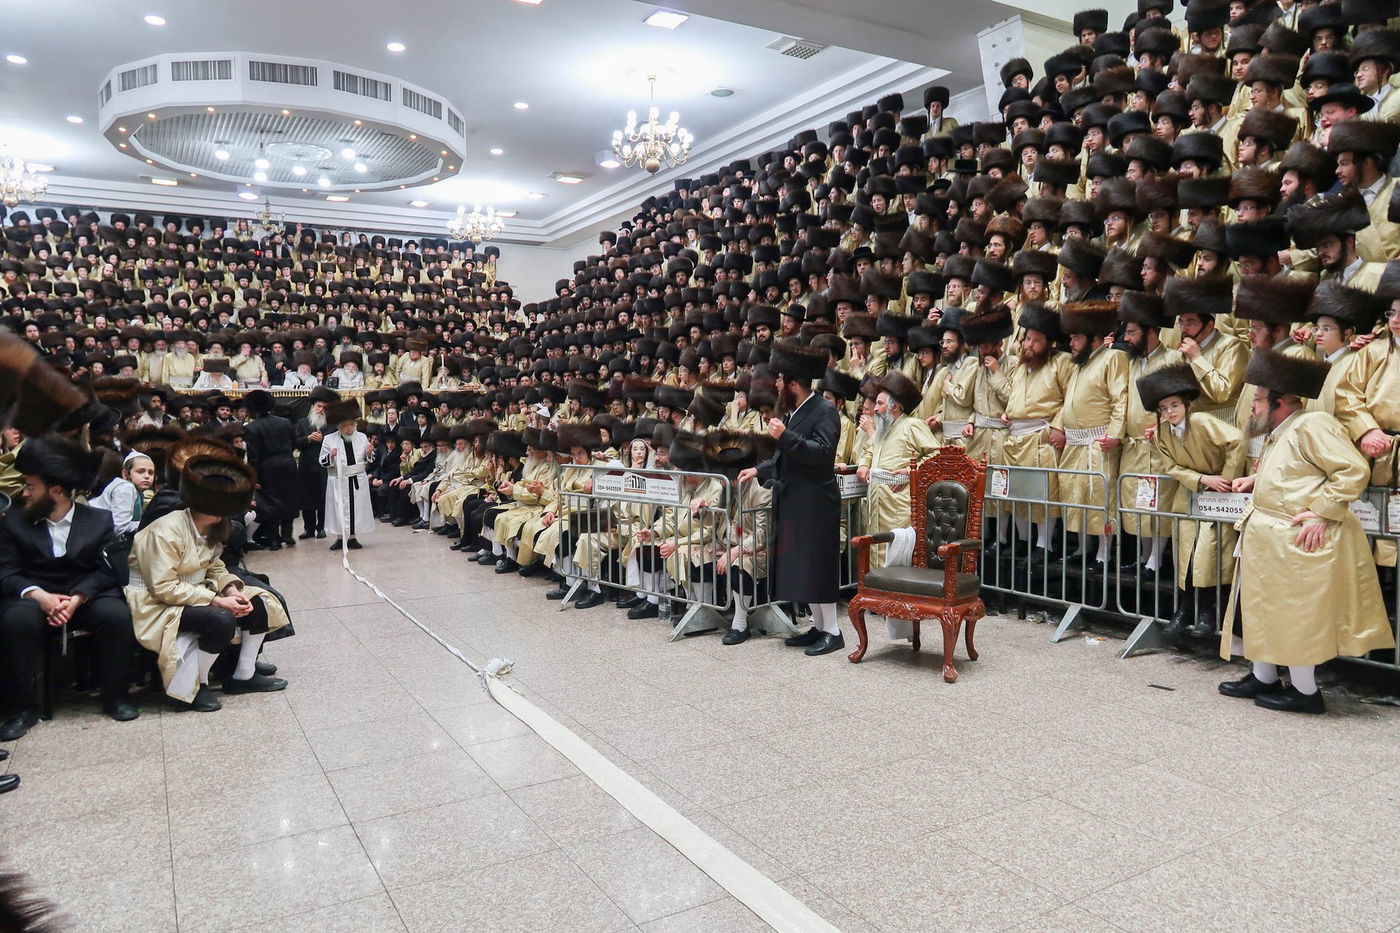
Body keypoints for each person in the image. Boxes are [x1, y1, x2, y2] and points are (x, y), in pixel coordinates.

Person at [1220, 350, 1396, 713]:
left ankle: (1305, 692)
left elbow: (1352, 471)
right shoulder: (1281, 430)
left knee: (1296, 617)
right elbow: (1296, 472)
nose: (1252, 406)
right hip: (1269, 539)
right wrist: (1255, 480)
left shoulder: (1312, 424)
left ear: (1280, 402)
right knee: (1263, 610)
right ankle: (1264, 674)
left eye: (1258, 399)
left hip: (1298, 540)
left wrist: (1320, 512)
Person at [127, 454, 291, 711]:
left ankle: (243, 676)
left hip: (196, 591)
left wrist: (232, 589)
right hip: (156, 602)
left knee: (258, 601)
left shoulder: (212, 527)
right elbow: (162, 587)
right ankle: (195, 685)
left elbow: (214, 566)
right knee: (221, 618)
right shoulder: (164, 531)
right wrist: (216, 600)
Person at [0, 435, 140, 736]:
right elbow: (7, 572)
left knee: (117, 615)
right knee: (15, 620)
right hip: (32, 595)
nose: (25, 492)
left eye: (30, 487)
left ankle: (116, 695)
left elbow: (107, 572)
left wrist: (77, 598)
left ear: (56, 491)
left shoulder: (98, 520)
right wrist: (41, 597)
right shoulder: (13, 521)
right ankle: (22, 708)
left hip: (84, 594)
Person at [740, 339, 845, 656]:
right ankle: (819, 627)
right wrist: (758, 471)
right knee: (805, 569)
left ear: (794, 384)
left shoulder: (825, 411)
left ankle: (834, 632)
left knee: (819, 567)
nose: (776, 384)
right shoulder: (796, 412)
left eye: (780, 380)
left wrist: (785, 436)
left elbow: (822, 454)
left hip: (816, 503)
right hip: (797, 501)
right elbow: (785, 459)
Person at [241, 389, 298, 551]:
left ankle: (274, 540)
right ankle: (288, 534)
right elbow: (293, 443)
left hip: (267, 467)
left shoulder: (252, 428)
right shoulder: (284, 422)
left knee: (270, 502)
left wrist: (254, 477)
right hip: (287, 463)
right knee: (289, 498)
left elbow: (254, 455)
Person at [319, 399, 376, 550]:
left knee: (356, 509)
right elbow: (322, 460)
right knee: (338, 508)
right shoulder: (329, 439)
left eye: (352, 425)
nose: (350, 428)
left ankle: (353, 537)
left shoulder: (362, 437)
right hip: (338, 480)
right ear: (340, 427)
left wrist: (369, 452)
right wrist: (331, 455)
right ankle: (339, 537)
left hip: (357, 479)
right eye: (346, 426)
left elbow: (368, 458)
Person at [293, 386, 337, 540]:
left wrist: (323, 439)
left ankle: (321, 528)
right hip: (306, 465)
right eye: (319, 406)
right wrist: (308, 439)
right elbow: (296, 442)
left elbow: (335, 443)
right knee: (307, 498)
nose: (321, 410)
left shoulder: (331, 425)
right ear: (313, 407)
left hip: (324, 466)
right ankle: (308, 529)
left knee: (323, 497)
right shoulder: (303, 423)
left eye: (324, 408)